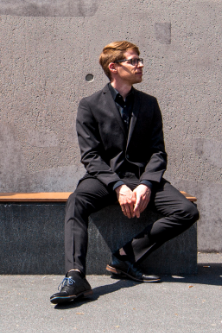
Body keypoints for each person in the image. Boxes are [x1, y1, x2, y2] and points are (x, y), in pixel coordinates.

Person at [51, 41, 199, 304]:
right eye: (134, 61)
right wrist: (118, 186)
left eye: (140, 59)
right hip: (105, 179)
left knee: (186, 211)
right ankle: (75, 276)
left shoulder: (149, 104)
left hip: (142, 178)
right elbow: (91, 156)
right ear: (114, 67)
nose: (140, 64)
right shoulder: (90, 105)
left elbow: (158, 152)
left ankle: (126, 257)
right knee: (76, 201)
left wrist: (147, 184)